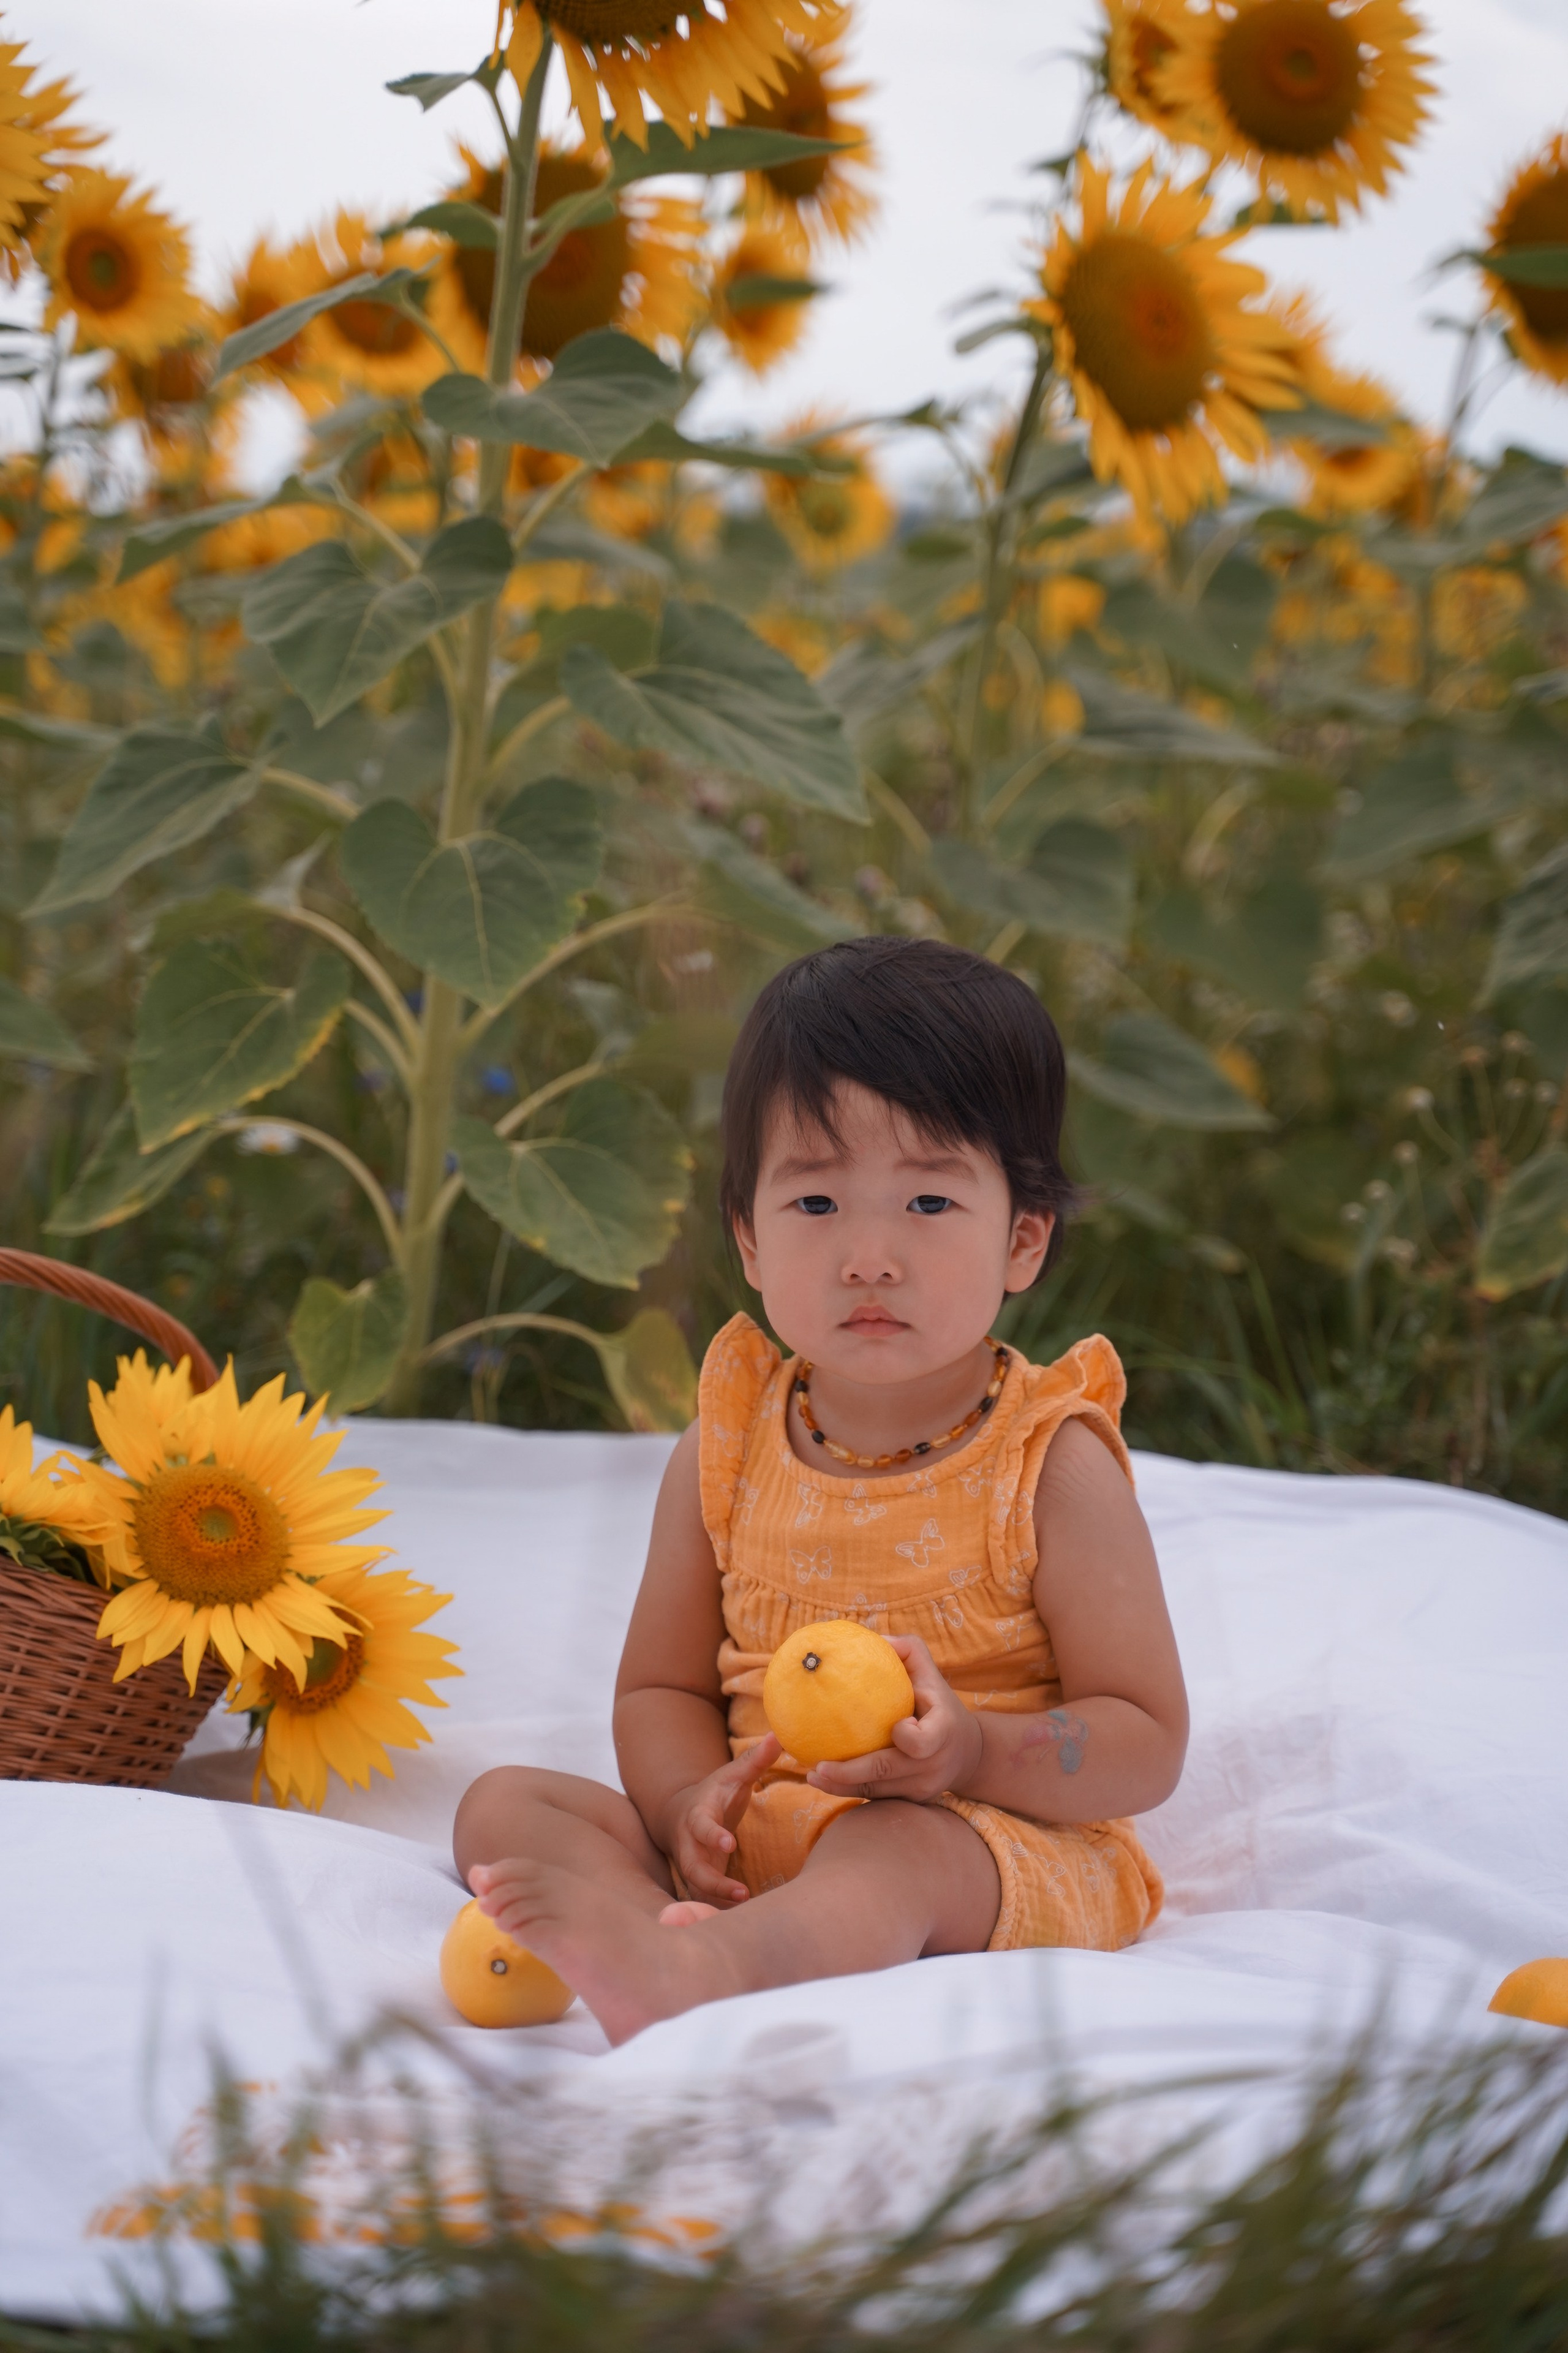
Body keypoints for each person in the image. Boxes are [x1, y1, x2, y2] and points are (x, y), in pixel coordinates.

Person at [454, 937, 1188, 2045]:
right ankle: (659, 1924)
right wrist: (685, 1804)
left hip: (983, 1838)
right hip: (768, 1830)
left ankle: (703, 1968)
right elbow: (660, 1689)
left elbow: (1145, 1734)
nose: (870, 1256)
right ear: (748, 1235)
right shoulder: (730, 1443)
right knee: (504, 1805)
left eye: (932, 1203)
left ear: (1024, 1240)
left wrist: (973, 1752)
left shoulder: (1050, 1464)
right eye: (816, 1205)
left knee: (893, 1843)